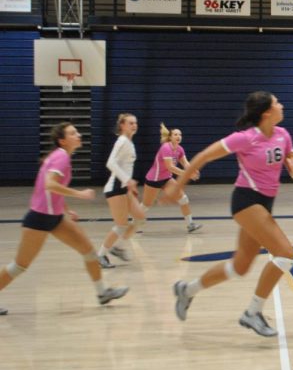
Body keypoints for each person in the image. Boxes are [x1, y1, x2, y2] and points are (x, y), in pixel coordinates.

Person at [170, 91, 293, 337]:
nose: (281, 105)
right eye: (277, 103)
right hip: (246, 201)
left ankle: (186, 290)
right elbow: (202, 157)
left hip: (266, 203)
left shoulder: (283, 135)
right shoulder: (245, 138)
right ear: (266, 112)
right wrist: (178, 186)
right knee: (285, 254)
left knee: (239, 266)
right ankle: (252, 313)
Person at [0, 122, 128, 313]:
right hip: (39, 218)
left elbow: (53, 190)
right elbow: (50, 185)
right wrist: (80, 194)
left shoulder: (61, 157)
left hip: (56, 217)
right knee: (19, 266)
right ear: (62, 140)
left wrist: (66, 210)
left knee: (89, 252)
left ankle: (102, 293)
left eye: (77, 132)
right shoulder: (60, 157)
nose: (78, 135)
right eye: (72, 133)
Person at [97, 113, 146, 268]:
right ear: (122, 125)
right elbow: (110, 163)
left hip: (125, 189)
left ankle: (118, 247)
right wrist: (127, 180)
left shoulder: (129, 143)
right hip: (115, 188)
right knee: (121, 225)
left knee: (140, 217)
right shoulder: (122, 141)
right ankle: (100, 255)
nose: (134, 125)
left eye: (135, 123)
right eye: (130, 123)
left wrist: (129, 184)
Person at [140, 123, 203, 234]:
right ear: (170, 137)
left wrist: (193, 170)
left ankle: (190, 224)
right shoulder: (166, 147)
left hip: (166, 179)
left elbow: (185, 163)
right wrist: (187, 174)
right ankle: (132, 223)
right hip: (154, 179)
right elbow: (171, 167)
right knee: (146, 205)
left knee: (183, 198)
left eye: (180, 134)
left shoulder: (180, 149)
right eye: (175, 134)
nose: (178, 136)